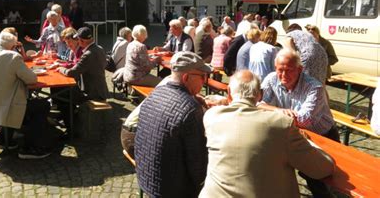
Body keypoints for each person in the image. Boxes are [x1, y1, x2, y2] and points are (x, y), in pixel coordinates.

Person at [200, 70, 335, 198]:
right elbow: (323, 168)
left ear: (229, 92)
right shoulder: (282, 124)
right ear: (260, 94)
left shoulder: (211, 116)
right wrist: (308, 143)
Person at [259, 49, 339, 197]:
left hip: (323, 136)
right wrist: (278, 110)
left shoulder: (314, 87)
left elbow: (303, 120)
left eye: (288, 70)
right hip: (295, 134)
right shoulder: (271, 79)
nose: (283, 75)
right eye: (280, 70)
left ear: (300, 69)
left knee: (317, 178)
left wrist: (272, 110)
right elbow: (258, 104)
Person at [135, 51, 212, 197]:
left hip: (145, 176)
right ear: (186, 77)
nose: (204, 81)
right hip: (171, 188)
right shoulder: (190, 109)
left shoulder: (156, 93)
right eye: (202, 76)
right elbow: (198, 167)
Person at [0, 32, 52, 159]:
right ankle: (30, 148)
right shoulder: (12, 56)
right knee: (41, 105)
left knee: (9, 98)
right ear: (12, 47)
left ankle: (3, 140)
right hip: (1, 107)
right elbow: (32, 79)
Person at [58, 27, 108, 101]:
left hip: (92, 93)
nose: (77, 41)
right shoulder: (99, 48)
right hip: (100, 90)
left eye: (77, 39)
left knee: (65, 91)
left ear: (82, 41)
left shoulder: (88, 54)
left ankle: (70, 110)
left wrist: (60, 68)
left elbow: (71, 72)